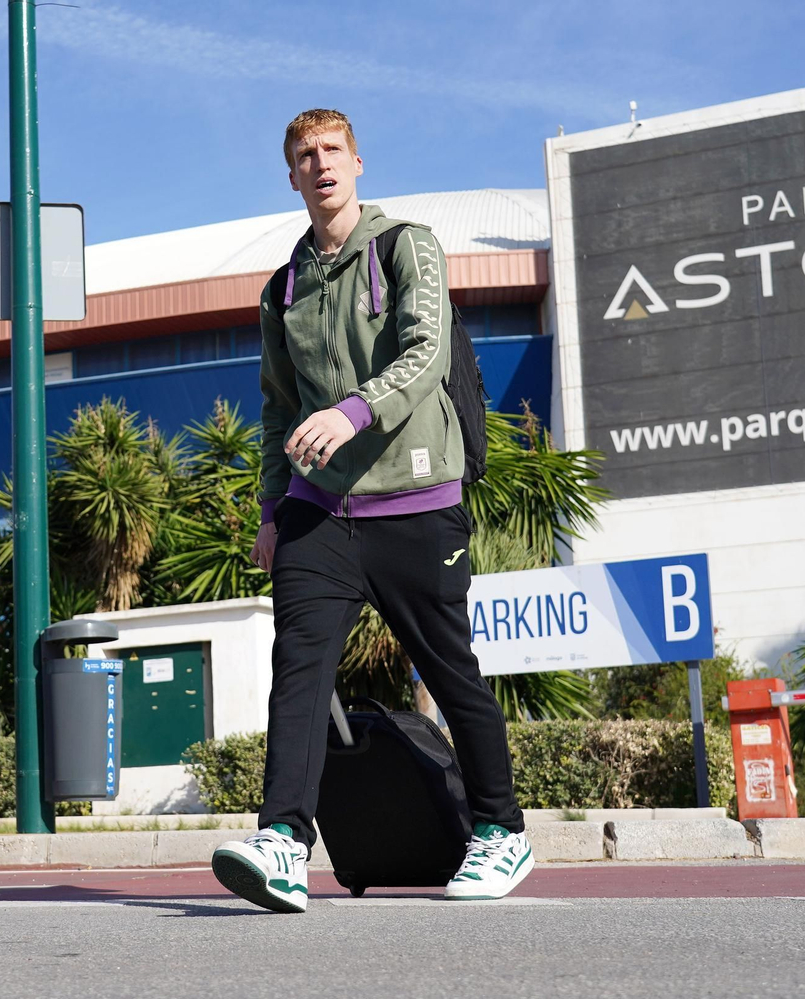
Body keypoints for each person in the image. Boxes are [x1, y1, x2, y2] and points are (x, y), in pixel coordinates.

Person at [210, 109, 530, 913]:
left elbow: (425, 351)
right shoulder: (283, 286)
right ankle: (283, 840)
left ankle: (502, 829)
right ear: (290, 176)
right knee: (299, 670)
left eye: (331, 152)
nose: (319, 165)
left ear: (357, 162)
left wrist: (353, 411)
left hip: (417, 496)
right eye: (303, 156)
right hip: (321, 508)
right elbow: (278, 407)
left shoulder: (406, 245)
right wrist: (273, 508)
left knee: (451, 668)